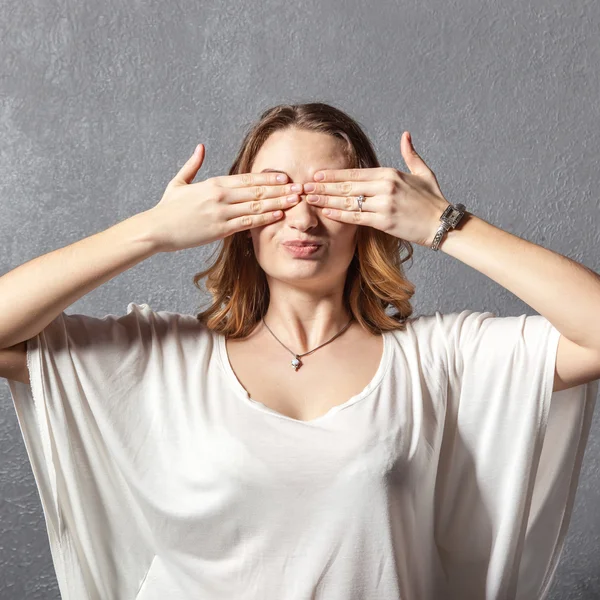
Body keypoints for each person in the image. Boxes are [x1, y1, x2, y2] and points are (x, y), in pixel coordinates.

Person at [0, 101, 598, 600]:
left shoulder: (438, 358)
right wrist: (151, 231)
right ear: (235, 212)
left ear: (373, 213)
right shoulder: (160, 358)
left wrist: (443, 222)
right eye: (275, 193)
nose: (304, 218)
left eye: (331, 195)